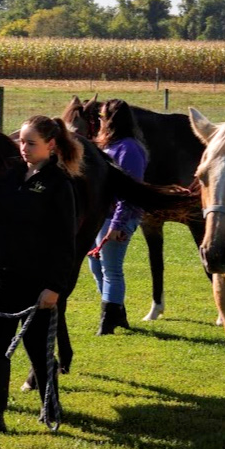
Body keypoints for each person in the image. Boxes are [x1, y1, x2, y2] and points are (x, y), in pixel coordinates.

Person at [0, 115, 79, 436]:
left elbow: (66, 242)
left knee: (37, 348)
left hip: (36, 283)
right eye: (21, 141)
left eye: (30, 143)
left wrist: (54, 288)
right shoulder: (12, 177)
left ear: (51, 145)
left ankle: (50, 404)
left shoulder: (58, 184)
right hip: (0, 276)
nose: (23, 148)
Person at [87, 99, 147, 335]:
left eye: (101, 118)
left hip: (117, 217)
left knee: (111, 268)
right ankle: (116, 311)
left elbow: (129, 191)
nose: (99, 122)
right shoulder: (108, 146)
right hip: (100, 215)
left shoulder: (129, 149)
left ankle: (108, 322)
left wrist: (118, 224)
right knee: (95, 264)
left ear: (110, 120)